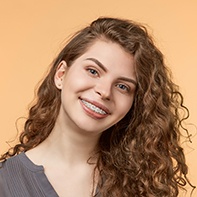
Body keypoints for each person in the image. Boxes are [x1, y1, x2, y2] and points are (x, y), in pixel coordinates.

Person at [0, 17, 195, 197]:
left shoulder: (141, 186)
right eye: (93, 71)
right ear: (61, 74)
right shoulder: (4, 182)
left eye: (122, 86)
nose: (105, 91)